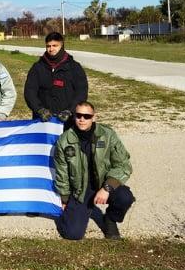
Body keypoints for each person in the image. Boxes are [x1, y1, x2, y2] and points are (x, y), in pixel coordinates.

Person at [53, 101, 134, 240]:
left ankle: (110, 219)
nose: (82, 119)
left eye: (87, 116)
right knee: (72, 234)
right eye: (78, 115)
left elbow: (123, 165)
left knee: (125, 197)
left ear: (94, 117)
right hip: (80, 190)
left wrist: (107, 188)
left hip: (103, 184)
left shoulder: (107, 135)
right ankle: (76, 213)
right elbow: (62, 173)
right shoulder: (64, 140)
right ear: (74, 117)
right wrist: (65, 198)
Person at [24, 31, 88, 122]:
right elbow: (29, 91)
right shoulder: (37, 67)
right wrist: (39, 109)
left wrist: (70, 110)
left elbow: (81, 92)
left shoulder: (74, 67)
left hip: (67, 120)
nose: (51, 49)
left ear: (61, 45)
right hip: (43, 120)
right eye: (48, 46)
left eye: (55, 46)